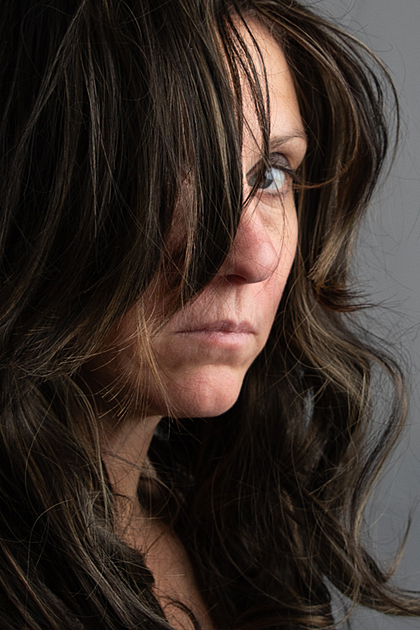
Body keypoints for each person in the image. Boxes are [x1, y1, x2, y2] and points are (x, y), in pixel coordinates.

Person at [0, 0, 418, 628]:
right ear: (32, 190)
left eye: (270, 174)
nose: (257, 255)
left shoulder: (224, 537)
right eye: (168, 169)